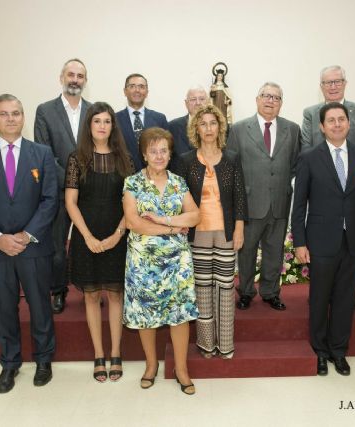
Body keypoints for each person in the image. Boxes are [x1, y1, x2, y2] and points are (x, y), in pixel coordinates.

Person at [0, 94, 58, 393]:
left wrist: (26, 235)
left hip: (33, 246)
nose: (11, 119)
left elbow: (49, 200)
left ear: (23, 116)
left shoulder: (41, 154)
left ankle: (43, 360)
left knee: (40, 305)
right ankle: (9, 363)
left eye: (16, 113)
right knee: (4, 307)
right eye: (3, 114)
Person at [292, 102, 355, 376]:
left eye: (342, 119)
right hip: (320, 241)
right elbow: (299, 205)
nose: (337, 124)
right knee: (319, 298)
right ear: (322, 126)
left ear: (349, 123)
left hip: (353, 241)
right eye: (331, 120)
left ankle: (339, 351)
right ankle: (319, 350)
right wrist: (299, 242)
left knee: (344, 299)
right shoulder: (309, 157)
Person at [122, 127, 200, 394]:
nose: (158, 155)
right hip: (143, 263)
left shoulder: (178, 182)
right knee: (146, 315)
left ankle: (181, 369)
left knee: (179, 316)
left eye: (163, 150)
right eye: (153, 150)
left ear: (169, 154)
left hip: (177, 264)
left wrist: (165, 219)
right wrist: (173, 229)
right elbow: (134, 222)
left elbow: (195, 216)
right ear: (144, 154)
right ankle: (151, 365)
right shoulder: (132, 183)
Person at [64, 102, 134, 382]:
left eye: (107, 121)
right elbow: (70, 202)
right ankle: (98, 355)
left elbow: (131, 203)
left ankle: (116, 353)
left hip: (118, 234)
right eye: (97, 121)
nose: (102, 126)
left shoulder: (123, 159)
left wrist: (118, 234)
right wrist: (88, 237)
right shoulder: (77, 158)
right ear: (89, 126)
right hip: (86, 236)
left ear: (112, 127)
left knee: (116, 295)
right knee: (91, 296)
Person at [178, 104, 248, 359]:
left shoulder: (231, 158)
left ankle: (226, 345)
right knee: (203, 290)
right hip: (197, 235)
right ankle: (207, 345)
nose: (208, 128)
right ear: (196, 128)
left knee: (226, 289)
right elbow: (179, 199)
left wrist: (239, 229)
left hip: (226, 232)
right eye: (203, 123)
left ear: (220, 127)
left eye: (213, 123)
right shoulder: (186, 161)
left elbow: (240, 197)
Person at [227, 82, 302, 311]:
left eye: (276, 98)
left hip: (279, 201)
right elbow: (232, 165)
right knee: (246, 251)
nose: (270, 101)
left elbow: (295, 164)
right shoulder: (239, 129)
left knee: (274, 250)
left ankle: (270, 292)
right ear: (257, 99)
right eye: (266, 96)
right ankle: (247, 292)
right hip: (249, 203)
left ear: (281, 103)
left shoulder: (293, 129)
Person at [34, 58, 92, 314]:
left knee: (90, 244)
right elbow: (44, 154)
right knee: (57, 249)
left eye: (80, 76)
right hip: (56, 193)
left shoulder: (93, 112)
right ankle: (57, 291)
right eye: (71, 74)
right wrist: (70, 183)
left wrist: (84, 184)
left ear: (85, 81)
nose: (75, 80)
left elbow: (98, 150)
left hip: (90, 193)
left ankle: (89, 289)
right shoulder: (45, 111)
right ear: (62, 77)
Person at [301, 65, 355, 148]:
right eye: (328, 83)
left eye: (337, 82)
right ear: (321, 86)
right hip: (318, 160)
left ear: (345, 83)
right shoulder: (310, 114)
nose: (333, 87)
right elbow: (306, 148)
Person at [116, 73, 169, 171]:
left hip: (154, 177)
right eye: (132, 86)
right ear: (125, 91)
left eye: (141, 87)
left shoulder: (159, 119)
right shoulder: (114, 119)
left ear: (147, 92)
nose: (137, 90)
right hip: (122, 177)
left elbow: (168, 150)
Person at [168, 86, 209, 172]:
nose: (198, 103)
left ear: (208, 102)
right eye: (193, 99)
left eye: (202, 99)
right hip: (180, 181)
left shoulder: (219, 127)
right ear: (186, 103)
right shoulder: (172, 127)